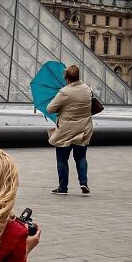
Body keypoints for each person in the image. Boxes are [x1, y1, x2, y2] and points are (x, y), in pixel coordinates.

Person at [46, 65, 93, 195]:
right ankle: (83, 182)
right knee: (81, 157)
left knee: (62, 159)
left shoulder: (64, 92)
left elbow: (50, 109)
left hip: (66, 131)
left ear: (67, 78)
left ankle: (63, 187)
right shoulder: (87, 89)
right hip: (84, 129)